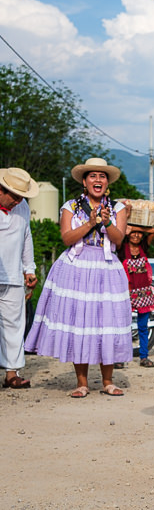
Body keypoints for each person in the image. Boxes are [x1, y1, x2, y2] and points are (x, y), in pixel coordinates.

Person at [24, 158, 131, 397]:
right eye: (92, 176)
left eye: (102, 176)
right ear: (84, 181)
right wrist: (90, 223)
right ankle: (82, 382)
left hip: (106, 268)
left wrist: (105, 223)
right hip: (77, 268)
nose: (98, 180)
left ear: (107, 182)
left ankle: (108, 381)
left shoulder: (118, 208)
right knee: (79, 323)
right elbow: (67, 238)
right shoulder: (70, 207)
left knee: (107, 322)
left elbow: (118, 239)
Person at [0, 167, 39, 389]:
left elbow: (26, 237)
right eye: (14, 196)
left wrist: (29, 269)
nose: (18, 201)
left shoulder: (22, 207)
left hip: (13, 275)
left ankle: (11, 373)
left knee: (14, 325)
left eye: (21, 197)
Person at [117, 224, 154, 368]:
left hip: (143, 293)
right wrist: (127, 229)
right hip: (125, 292)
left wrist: (136, 227)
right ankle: (119, 358)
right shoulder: (121, 247)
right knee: (122, 326)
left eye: (139, 233)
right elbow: (117, 234)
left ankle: (144, 357)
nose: (136, 235)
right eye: (133, 233)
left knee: (143, 327)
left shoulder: (144, 247)